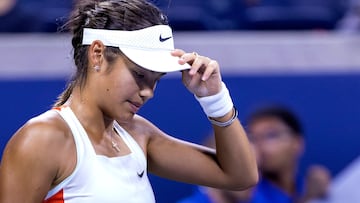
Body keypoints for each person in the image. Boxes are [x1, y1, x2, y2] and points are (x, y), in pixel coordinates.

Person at [0, 0, 258, 202]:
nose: (149, 92)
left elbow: (240, 176)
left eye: (156, 79)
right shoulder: (42, 139)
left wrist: (215, 98)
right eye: (138, 75)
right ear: (98, 54)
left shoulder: (137, 133)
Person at [245, 105, 331, 203]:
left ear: (297, 143)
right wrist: (309, 198)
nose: (260, 145)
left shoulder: (307, 186)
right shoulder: (244, 192)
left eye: (271, 135)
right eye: (253, 138)